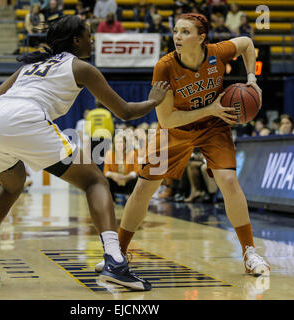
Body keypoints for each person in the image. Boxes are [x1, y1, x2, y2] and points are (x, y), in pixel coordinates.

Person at [0, 15, 170, 291]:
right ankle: (115, 261)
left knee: (11, 188)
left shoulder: (30, 66)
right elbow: (125, 111)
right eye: (89, 34)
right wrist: (154, 100)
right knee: (94, 181)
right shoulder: (81, 67)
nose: (92, 39)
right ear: (76, 40)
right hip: (25, 118)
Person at [94, 13, 270, 277]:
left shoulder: (217, 53)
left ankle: (249, 253)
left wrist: (252, 80)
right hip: (175, 129)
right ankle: (117, 252)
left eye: (185, 32)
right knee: (142, 189)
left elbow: (246, 42)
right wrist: (210, 107)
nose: (177, 36)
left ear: (201, 38)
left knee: (229, 182)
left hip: (213, 125)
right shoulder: (164, 67)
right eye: (176, 31)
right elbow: (167, 118)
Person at [103, 132, 139, 202]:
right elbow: (106, 171)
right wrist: (114, 175)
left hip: (128, 181)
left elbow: (136, 171)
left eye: (121, 142)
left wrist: (126, 177)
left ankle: (133, 201)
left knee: (136, 179)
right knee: (106, 179)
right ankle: (111, 200)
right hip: (115, 181)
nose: (119, 145)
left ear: (125, 144)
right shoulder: (109, 154)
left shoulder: (132, 153)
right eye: (117, 142)